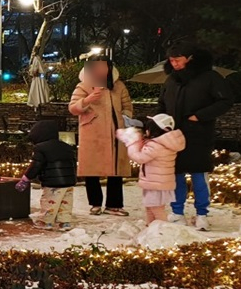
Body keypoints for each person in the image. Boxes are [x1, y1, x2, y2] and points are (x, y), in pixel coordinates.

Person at [157, 43, 235, 231]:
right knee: (176, 175)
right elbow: (162, 104)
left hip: (199, 135)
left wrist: (199, 116)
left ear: (190, 58)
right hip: (173, 135)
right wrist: (159, 124)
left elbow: (226, 101)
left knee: (199, 175)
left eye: (177, 59)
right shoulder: (171, 81)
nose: (173, 63)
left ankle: (202, 214)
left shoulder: (210, 78)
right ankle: (177, 212)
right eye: (171, 60)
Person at [68, 58, 134, 216]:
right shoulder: (83, 86)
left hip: (115, 133)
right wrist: (87, 100)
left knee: (115, 170)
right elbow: (73, 108)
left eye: (104, 67)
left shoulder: (118, 86)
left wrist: (124, 119)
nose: (100, 70)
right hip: (93, 133)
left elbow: (127, 106)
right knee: (92, 169)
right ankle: (95, 203)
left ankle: (114, 204)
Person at [116, 114, 186, 226]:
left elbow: (140, 157)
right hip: (158, 182)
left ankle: (163, 230)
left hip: (155, 183)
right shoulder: (164, 144)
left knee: (156, 209)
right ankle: (150, 228)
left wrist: (132, 143)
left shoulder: (155, 146)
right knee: (150, 207)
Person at [16, 119, 78, 230]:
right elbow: (73, 163)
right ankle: (65, 222)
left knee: (50, 202)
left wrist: (26, 178)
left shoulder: (40, 148)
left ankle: (46, 222)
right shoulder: (67, 147)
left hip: (53, 182)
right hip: (69, 182)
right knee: (65, 203)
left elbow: (36, 165)